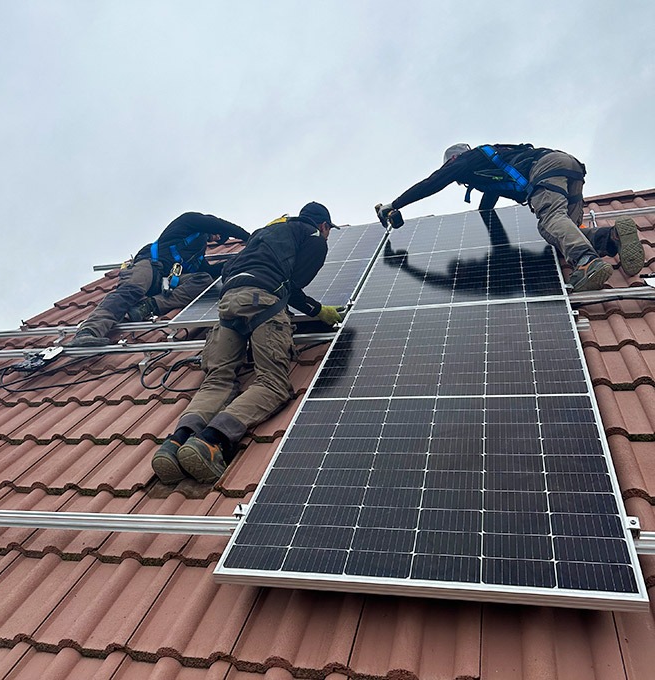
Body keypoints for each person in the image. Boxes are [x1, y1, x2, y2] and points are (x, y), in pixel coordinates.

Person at [151, 202, 343, 484]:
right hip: (263, 302)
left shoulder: (265, 232)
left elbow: (229, 268)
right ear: (324, 225)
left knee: (217, 380)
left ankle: (177, 441)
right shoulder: (314, 238)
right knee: (272, 384)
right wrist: (317, 310)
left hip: (228, 302)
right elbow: (290, 286)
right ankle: (212, 441)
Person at [377, 143, 645, 292]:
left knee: (550, 221)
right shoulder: (489, 173)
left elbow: (432, 183)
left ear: (453, 160)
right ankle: (611, 239)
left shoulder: (468, 159)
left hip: (545, 169)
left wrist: (395, 204)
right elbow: (488, 215)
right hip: (568, 166)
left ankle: (587, 263)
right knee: (563, 234)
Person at [68, 212, 251, 347]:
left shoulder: (197, 256)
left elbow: (211, 274)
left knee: (202, 280)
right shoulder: (188, 222)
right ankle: (89, 331)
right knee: (133, 288)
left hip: (167, 283)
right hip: (150, 266)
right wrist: (249, 238)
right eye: (218, 234)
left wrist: (241, 259)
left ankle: (147, 306)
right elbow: (216, 223)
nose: (219, 237)